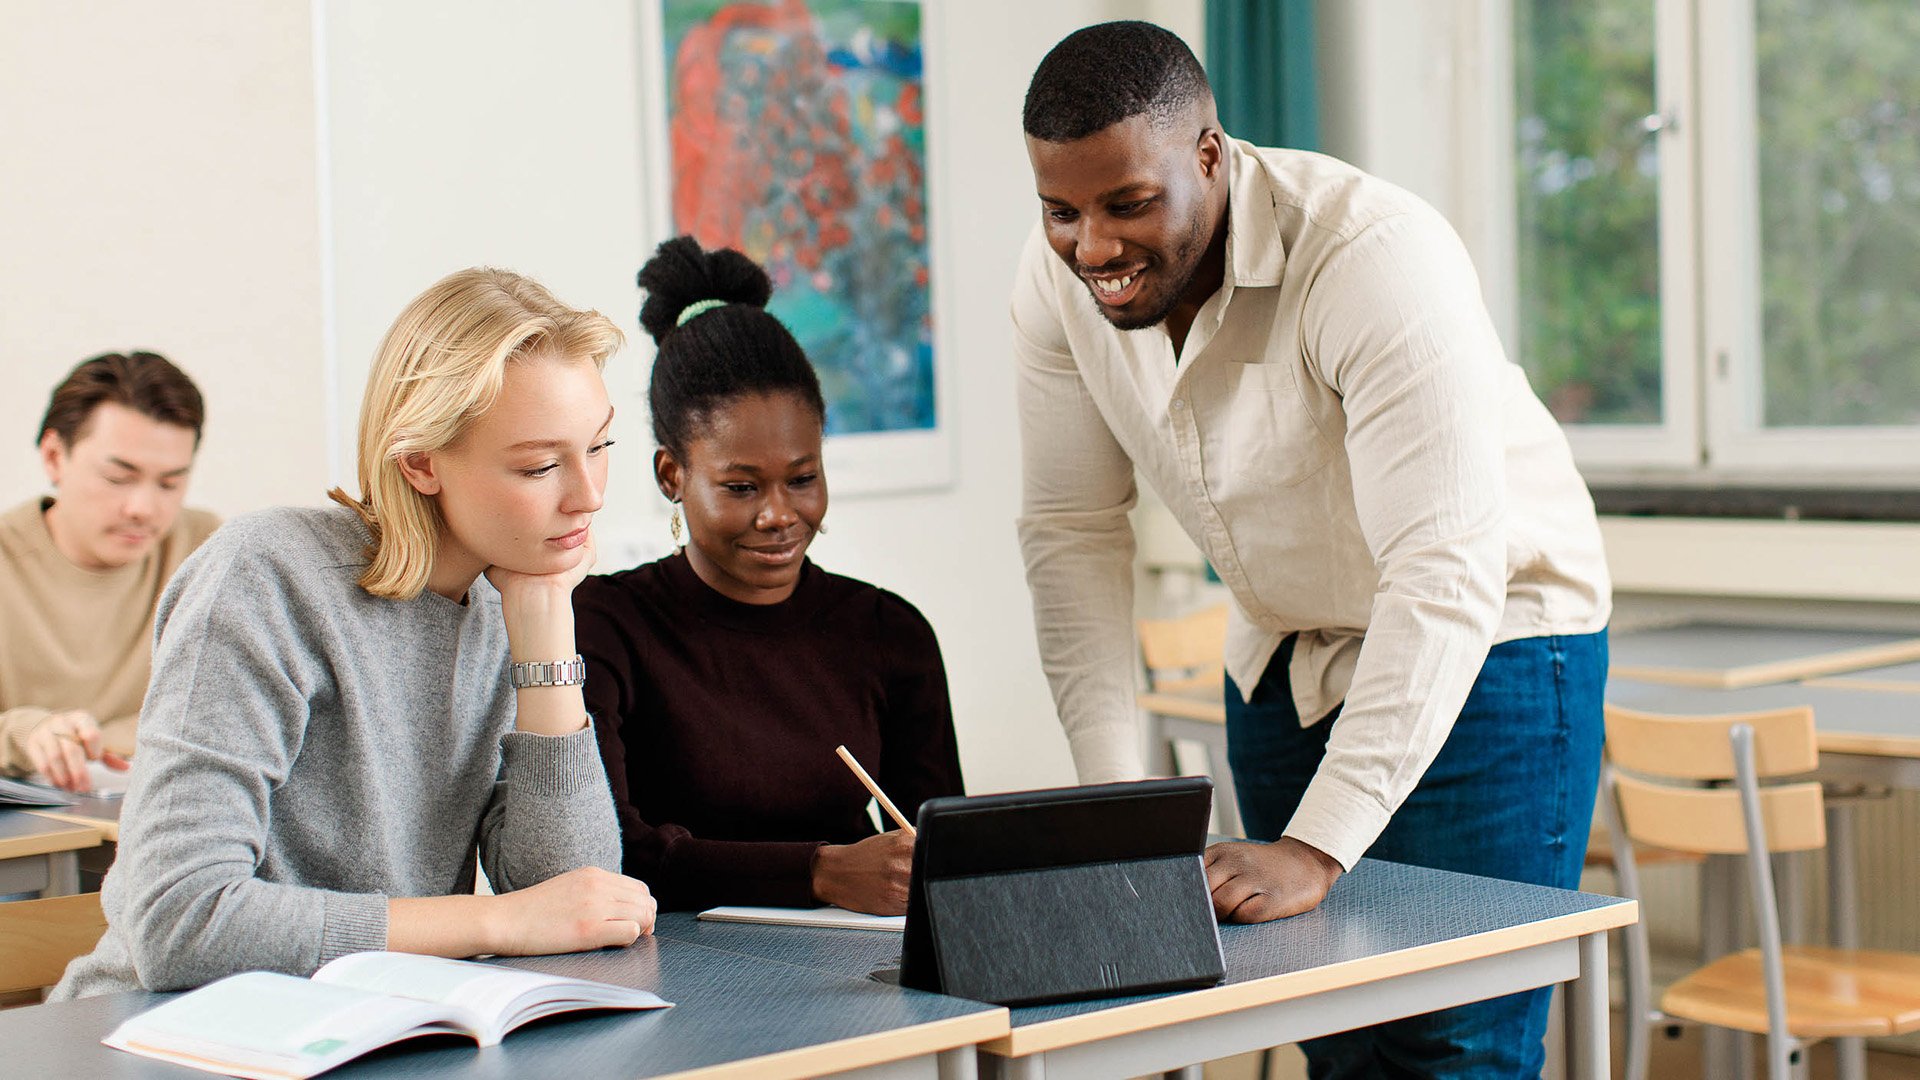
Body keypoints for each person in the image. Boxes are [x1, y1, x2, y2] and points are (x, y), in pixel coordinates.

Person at [1012, 22, 1612, 1076]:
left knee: (1452, 1046)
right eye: (1062, 212)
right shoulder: (1056, 276)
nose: (1093, 249)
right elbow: (1073, 532)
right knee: (1329, 1040)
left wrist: (1318, 842)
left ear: (1210, 154)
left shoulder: (1373, 256)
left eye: (1128, 205)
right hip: (1287, 651)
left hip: (1492, 645)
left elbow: (1444, 571)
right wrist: (1121, 814)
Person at [54, 268, 655, 999]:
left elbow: (572, 903)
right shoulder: (266, 576)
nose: (588, 496)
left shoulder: (513, 597)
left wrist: (548, 636)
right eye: (539, 465)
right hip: (157, 1034)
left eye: (599, 447)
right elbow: (181, 923)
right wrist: (494, 923)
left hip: (371, 1027)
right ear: (420, 463)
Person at [574, 236, 963, 915]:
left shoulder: (889, 634)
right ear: (673, 475)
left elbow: (945, 850)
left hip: (860, 978)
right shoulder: (606, 625)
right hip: (674, 978)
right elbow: (609, 855)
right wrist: (819, 873)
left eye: (803, 478)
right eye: (742, 487)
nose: (780, 515)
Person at [0, 352, 220, 792]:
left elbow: (227, 712)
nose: (142, 509)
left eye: (170, 483)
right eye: (119, 478)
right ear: (53, 457)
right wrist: (25, 732)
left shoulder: (206, 549)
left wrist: (100, 742)